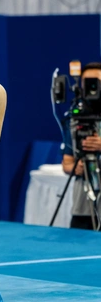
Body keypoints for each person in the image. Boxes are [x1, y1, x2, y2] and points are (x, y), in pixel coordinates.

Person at [62, 62, 101, 230]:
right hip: (83, 206)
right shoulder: (74, 120)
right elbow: (66, 163)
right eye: (89, 83)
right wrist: (75, 167)